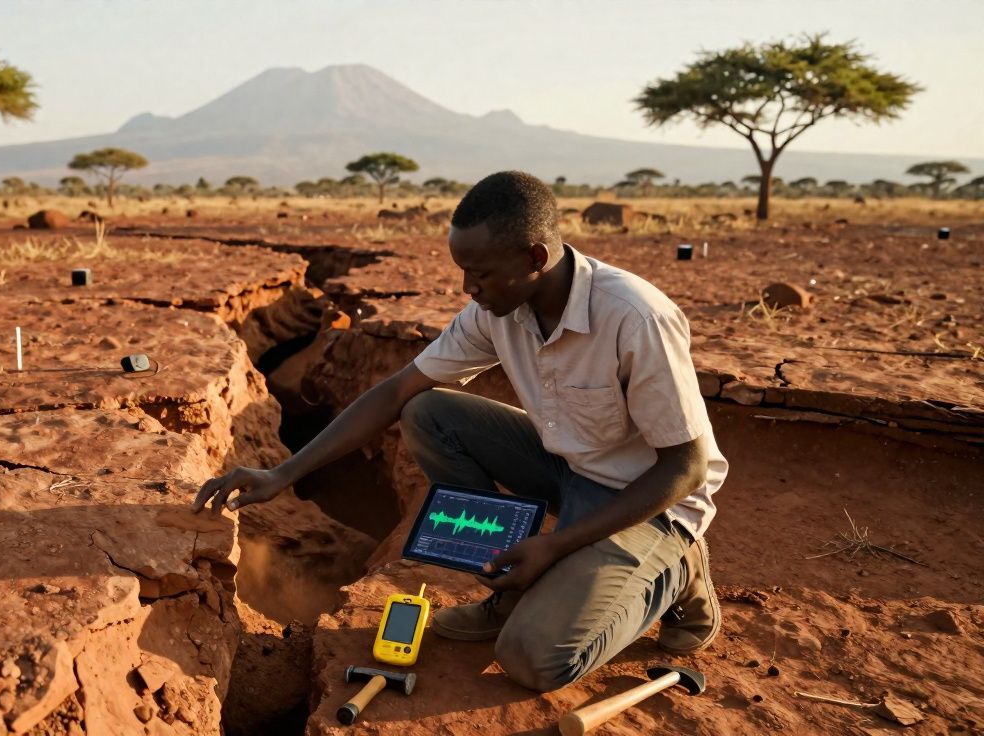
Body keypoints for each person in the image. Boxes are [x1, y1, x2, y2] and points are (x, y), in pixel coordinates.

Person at [191, 171, 728, 693]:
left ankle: (678, 567)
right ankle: (508, 583)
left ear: (536, 258)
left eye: (481, 273)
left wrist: (556, 545)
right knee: (428, 414)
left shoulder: (635, 317)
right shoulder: (497, 309)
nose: (468, 289)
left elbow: (686, 467)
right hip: (570, 467)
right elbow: (398, 392)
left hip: (651, 499)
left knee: (534, 660)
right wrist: (284, 472)